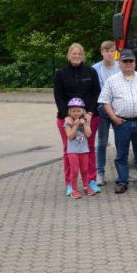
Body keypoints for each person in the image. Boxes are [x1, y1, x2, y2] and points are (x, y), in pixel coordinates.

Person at [98, 49, 137, 193]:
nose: (128, 63)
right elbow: (105, 101)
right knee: (121, 155)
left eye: (131, 61)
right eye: (125, 61)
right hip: (122, 123)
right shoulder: (112, 80)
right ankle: (122, 181)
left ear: (135, 63)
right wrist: (113, 117)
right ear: (120, 63)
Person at [53, 43, 101, 196]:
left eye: (79, 54)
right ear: (69, 55)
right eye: (74, 54)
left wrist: (90, 113)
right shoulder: (60, 73)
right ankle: (70, 183)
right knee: (69, 150)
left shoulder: (91, 72)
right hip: (66, 119)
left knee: (90, 148)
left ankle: (91, 181)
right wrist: (65, 114)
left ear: (83, 56)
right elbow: (58, 96)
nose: (76, 56)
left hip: (89, 118)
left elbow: (96, 94)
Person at [92, 40, 120, 185]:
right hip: (102, 109)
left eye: (111, 51)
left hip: (118, 109)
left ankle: (122, 172)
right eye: (106, 51)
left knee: (121, 141)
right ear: (102, 52)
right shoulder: (95, 69)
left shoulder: (120, 67)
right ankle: (100, 172)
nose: (109, 54)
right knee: (102, 142)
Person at [63, 98, 94, 198]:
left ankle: (86, 186)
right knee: (74, 171)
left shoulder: (85, 121)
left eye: (78, 110)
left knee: (85, 170)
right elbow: (70, 136)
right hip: (73, 151)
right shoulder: (68, 122)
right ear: (70, 112)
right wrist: (75, 125)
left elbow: (89, 134)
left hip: (84, 150)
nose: (76, 113)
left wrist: (84, 123)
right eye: (73, 111)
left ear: (83, 111)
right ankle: (74, 189)